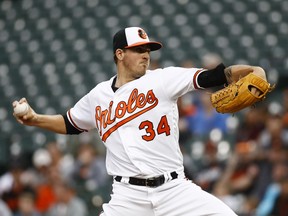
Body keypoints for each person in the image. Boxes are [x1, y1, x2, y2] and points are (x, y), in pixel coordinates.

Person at [13, 26, 268, 215]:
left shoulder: (162, 79)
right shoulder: (97, 96)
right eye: (139, 50)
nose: (146, 55)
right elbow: (70, 123)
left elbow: (214, 76)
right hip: (127, 198)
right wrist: (35, 119)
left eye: (148, 50)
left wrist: (254, 71)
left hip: (174, 190)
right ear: (120, 54)